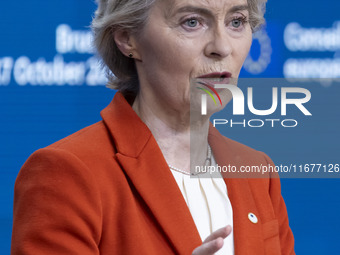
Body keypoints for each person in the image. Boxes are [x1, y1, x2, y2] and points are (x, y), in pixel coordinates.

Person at [11, 0, 295, 254]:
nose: (221, 47)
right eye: (192, 22)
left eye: (236, 22)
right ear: (127, 38)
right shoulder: (68, 172)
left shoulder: (258, 171)